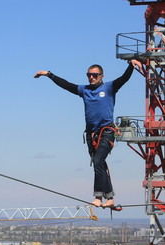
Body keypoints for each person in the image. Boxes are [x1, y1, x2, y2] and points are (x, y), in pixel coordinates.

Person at [34, 59, 142, 208]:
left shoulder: (109, 88)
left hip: (107, 132)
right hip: (92, 135)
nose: (91, 77)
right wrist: (49, 74)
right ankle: (110, 198)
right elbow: (66, 85)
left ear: (101, 76)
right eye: (89, 75)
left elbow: (123, 79)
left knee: (98, 161)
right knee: (100, 164)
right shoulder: (84, 90)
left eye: (94, 75)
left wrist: (131, 65)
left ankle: (98, 196)